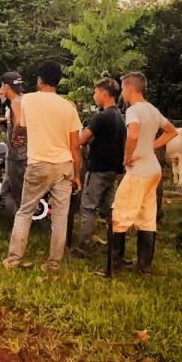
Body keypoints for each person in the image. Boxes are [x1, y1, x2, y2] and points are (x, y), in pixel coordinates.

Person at [3, 61, 82, 272]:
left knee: (25, 211)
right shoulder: (69, 107)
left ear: (40, 80)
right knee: (60, 217)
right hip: (64, 165)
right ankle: (53, 263)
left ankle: (13, 259)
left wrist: (17, 137)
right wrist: (77, 174)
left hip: (38, 163)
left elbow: (21, 126)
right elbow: (75, 146)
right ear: (58, 82)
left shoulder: (28, 100)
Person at [107, 72, 177, 274]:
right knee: (147, 216)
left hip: (138, 171)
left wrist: (128, 155)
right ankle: (144, 266)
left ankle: (114, 264)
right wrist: (150, 146)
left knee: (119, 213)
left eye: (122, 89)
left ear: (129, 88)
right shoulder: (153, 110)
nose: (122, 94)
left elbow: (134, 133)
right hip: (153, 169)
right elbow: (172, 131)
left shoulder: (133, 111)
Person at [72, 78, 126, 257]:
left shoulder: (101, 117)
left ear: (104, 93)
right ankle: (115, 246)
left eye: (95, 92)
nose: (94, 96)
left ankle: (83, 248)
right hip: (113, 169)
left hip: (98, 168)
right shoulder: (119, 116)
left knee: (87, 207)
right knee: (108, 209)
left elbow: (81, 139)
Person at [0, 72, 26, 216]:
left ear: (7, 86)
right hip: (26, 153)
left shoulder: (15, 102)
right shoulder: (25, 99)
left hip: (17, 156)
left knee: (11, 192)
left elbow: (20, 122)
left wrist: (14, 134)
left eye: (2, 86)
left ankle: (19, 223)